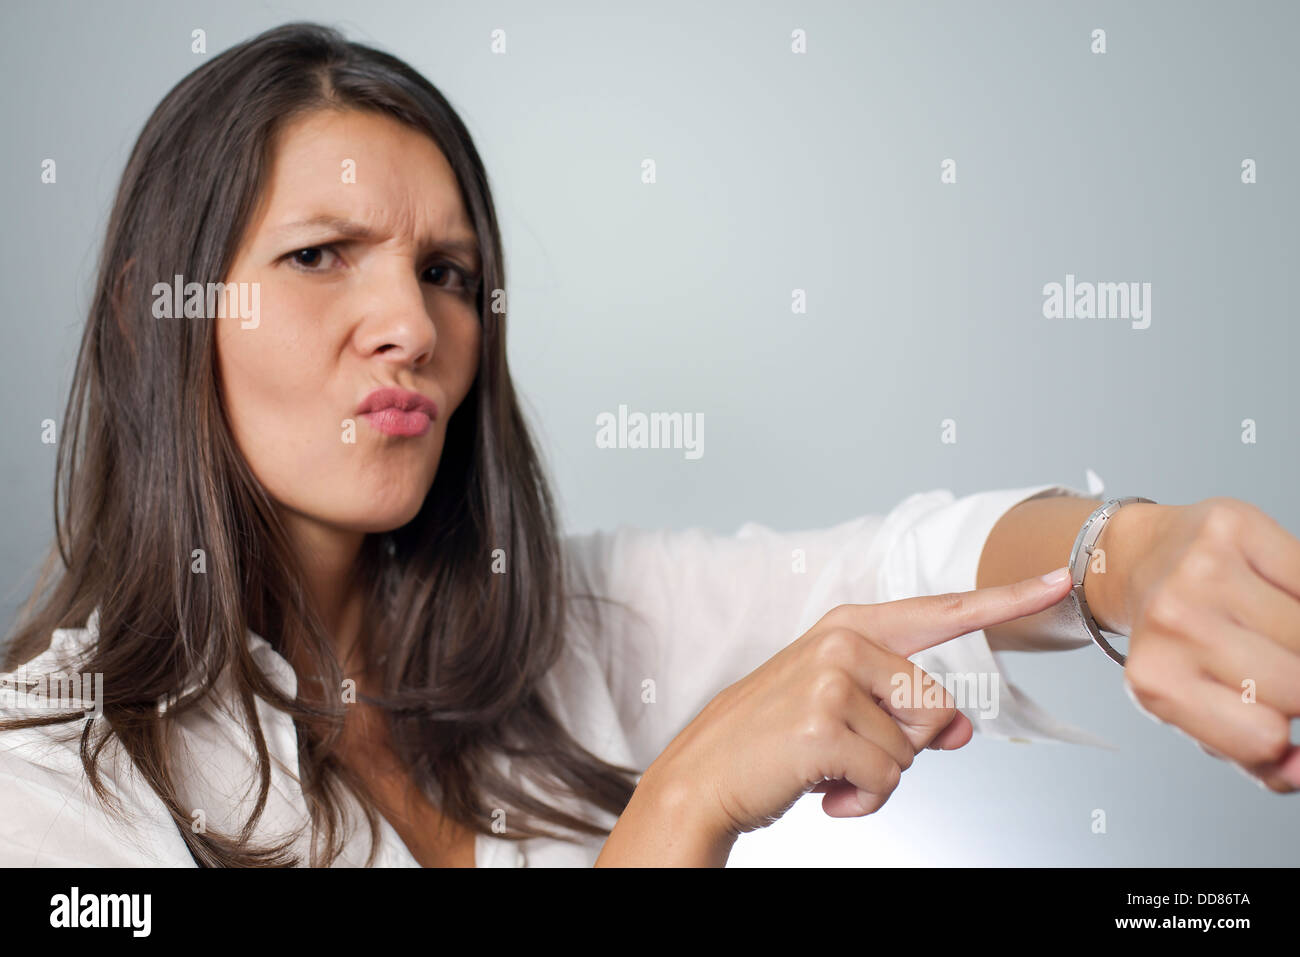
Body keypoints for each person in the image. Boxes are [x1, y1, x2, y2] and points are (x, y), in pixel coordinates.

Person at [1, 22, 1296, 869]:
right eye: (319, 256)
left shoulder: (572, 629)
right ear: (150, 312)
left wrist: (1127, 555)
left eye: (447, 271)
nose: (409, 323)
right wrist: (674, 813)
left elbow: (905, 562)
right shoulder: (44, 793)